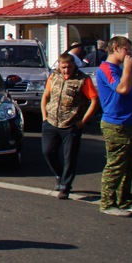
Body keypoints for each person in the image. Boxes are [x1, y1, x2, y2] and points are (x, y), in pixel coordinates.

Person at [96, 36, 132, 217]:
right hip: (115, 123)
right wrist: (128, 68)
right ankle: (107, 202)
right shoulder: (107, 68)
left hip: (128, 121)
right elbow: (122, 89)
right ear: (116, 48)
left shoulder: (120, 68)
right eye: (127, 51)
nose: (129, 54)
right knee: (116, 165)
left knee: (129, 165)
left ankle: (124, 200)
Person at [40, 52, 99, 199]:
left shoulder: (83, 80)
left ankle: (65, 186)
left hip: (71, 124)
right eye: (64, 67)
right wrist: (44, 117)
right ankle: (59, 175)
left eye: (69, 67)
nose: (67, 70)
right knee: (48, 151)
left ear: (74, 66)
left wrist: (83, 121)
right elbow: (46, 96)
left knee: (70, 156)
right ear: (59, 66)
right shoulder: (53, 77)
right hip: (51, 122)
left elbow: (94, 101)